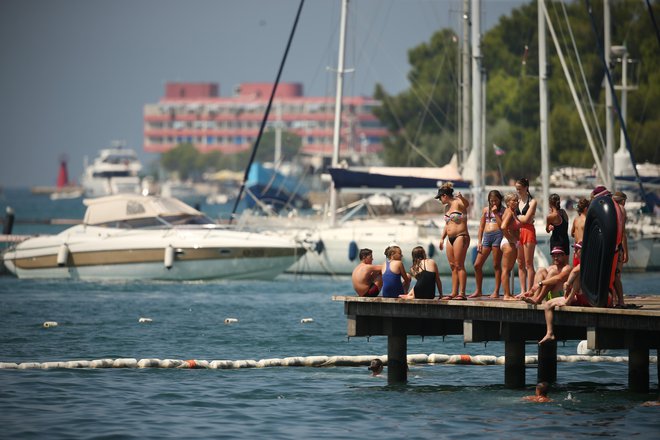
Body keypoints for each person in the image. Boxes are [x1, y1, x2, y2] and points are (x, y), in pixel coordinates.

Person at [436, 182, 470, 300]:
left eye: (440, 197)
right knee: (452, 266)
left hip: (461, 235)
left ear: (444, 195)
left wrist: (462, 197)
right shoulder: (446, 208)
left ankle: (462, 293)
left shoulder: (458, 202)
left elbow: (467, 204)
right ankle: (453, 292)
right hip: (450, 238)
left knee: (459, 265)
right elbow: (447, 224)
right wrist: (442, 238)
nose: (440, 200)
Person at [469, 190, 504, 299]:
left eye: (496, 200)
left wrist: (496, 213)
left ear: (500, 200)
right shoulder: (486, 210)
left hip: (498, 235)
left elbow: (502, 225)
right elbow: (481, 227)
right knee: (477, 265)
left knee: (496, 265)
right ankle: (478, 290)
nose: (494, 203)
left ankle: (496, 291)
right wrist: (479, 241)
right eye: (491, 201)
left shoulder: (503, 210)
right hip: (486, 237)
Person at [515, 178, 538, 294]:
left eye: (519, 189)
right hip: (518, 232)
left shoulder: (532, 202)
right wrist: (522, 219)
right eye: (516, 189)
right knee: (520, 263)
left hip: (528, 231)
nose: (517, 191)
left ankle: (530, 290)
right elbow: (523, 219)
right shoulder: (516, 202)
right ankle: (523, 290)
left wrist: (517, 218)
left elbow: (527, 219)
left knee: (529, 263)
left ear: (526, 188)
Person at [500, 192, 521, 300]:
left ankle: (508, 293)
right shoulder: (509, 212)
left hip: (511, 242)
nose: (516, 202)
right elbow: (503, 227)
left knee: (508, 269)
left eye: (517, 200)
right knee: (506, 270)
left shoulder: (512, 212)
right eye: (514, 200)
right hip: (508, 243)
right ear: (508, 202)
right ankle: (506, 295)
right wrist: (510, 238)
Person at [612, 191, 629, 307]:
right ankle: (620, 301)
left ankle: (615, 299)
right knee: (617, 274)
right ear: (623, 201)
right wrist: (626, 252)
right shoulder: (621, 209)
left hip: (612, 246)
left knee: (613, 274)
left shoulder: (612, 208)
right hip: (618, 246)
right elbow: (622, 233)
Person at [546, 193, 570, 259]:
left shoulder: (551, 216)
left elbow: (547, 230)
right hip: (565, 241)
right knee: (565, 265)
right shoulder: (563, 212)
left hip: (556, 242)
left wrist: (549, 227)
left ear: (550, 203)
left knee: (556, 266)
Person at [570, 198, 589, 266]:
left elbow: (572, 233)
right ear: (586, 209)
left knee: (576, 268)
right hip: (583, 247)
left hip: (576, 248)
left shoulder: (576, 219)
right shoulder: (587, 221)